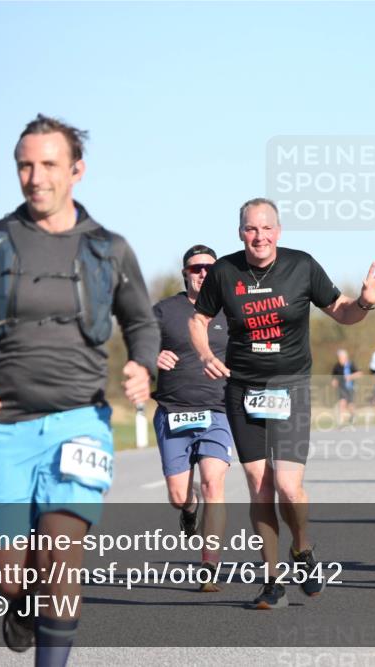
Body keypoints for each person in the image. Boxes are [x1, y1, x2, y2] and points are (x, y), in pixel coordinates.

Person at [0, 115, 159, 663]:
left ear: (76, 171)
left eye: (49, 165)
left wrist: (142, 365)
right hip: (1, 429)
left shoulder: (109, 249)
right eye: (25, 165)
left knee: (61, 560)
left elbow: (142, 322)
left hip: (79, 423)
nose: (36, 177)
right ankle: (18, 604)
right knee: (11, 576)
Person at [189, 197, 375, 609]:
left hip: (291, 387)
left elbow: (342, 311)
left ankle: (303, 549)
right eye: (250, 228)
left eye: (266, 228)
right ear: (240, 232)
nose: (259, 236)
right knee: (259, 489)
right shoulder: (225, 272)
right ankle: (271, 580)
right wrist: (206, 355)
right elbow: (198, 320)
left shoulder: (302, 266)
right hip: (242, 389)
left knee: (287, 486)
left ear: (278, 232)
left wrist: (366, 301)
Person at [152, 244, 232, 592]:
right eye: (195, 268)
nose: (202, 273)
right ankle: (188, 510)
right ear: (185, 272)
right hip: (173, 411)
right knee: (178, 495)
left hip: (218, 410)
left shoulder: (231, 311)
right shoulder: (165, 310)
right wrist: (153, 355)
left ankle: (209, 566)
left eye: (208, 268)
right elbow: (138, 345)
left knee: (214, 483)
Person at [331, 349, 362, 427]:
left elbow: (359, 373)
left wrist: (350, 377)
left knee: (350, 404)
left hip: (350, 387)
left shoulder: (351, 365)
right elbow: (334, 376)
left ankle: (353, 415)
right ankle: (341, 422)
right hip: (341, 388)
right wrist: (334, 381)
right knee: (342, 403)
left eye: (341, 357)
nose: (339, 359)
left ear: (345, 357)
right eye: (338, 357)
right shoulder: (336, 366)